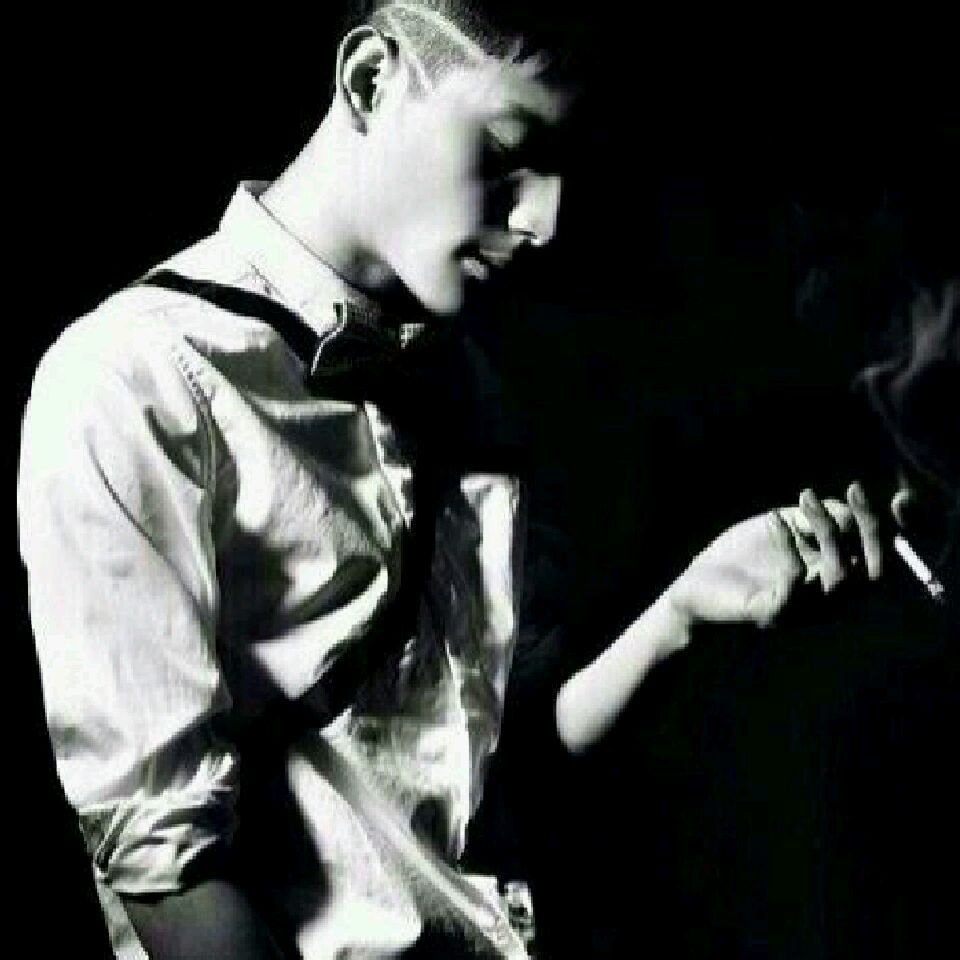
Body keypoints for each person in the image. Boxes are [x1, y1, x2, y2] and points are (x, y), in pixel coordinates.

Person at [16, 2, 886, 957]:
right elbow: (169, 871)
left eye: (564, 167)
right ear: (370, 80)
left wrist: (682, 613)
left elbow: (480, 782)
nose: (545, 218)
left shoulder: (465, 382)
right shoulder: (132, 380)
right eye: (508, 150)